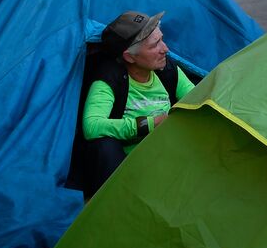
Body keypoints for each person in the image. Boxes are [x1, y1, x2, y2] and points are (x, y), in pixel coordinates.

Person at [82, 11, 194, 156]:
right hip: (130, 163)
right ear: (129, 57)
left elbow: (197, 99)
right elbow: (92, 126)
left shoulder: (168, 70)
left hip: (172, 153)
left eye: (162, 39)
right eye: (155, 45)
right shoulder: (109, 80)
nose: (165, 49)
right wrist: (148, 124)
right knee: (104, 146)